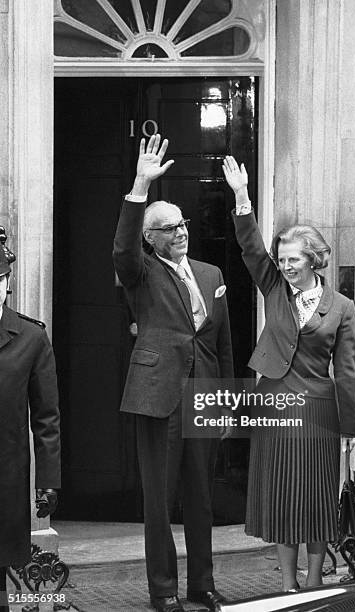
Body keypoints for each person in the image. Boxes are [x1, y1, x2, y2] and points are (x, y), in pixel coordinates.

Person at [222, 156, 355, 590]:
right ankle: (286, 583)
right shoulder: (274, 288)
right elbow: (250, 248)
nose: (286, 265)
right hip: (274, 402)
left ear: (314, 260)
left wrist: (351, 426)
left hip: (319, 411)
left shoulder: (341, 307)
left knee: (316, 497)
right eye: (282, 259)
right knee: (282, 496)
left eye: (295, 259)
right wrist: (242, 196)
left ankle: (315, 581)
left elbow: (347, 370)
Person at [113, 135, 233, 612]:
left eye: (182, 223)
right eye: (168, 227)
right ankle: (163, 591)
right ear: (151, 238)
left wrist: (226, 402)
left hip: (204, 394)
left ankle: (201, 585)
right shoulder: (139, 270)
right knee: (160, 501)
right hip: (158, 393)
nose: (180, 231)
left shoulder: (211, 274)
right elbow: (122, 246)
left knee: (203, 496)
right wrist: (140, 185)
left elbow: (222, 343)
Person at [0, 232, 60, 612]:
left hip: (5, 474)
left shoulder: (31, 337)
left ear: (6, 283)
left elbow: (47, 418)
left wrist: (49, 481)